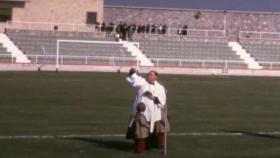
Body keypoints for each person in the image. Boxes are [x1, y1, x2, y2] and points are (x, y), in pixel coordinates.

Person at [126, 68, 168, 152]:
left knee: (154, 130)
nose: (149, 76)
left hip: (154, 113)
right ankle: (139, 148)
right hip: (142, 112)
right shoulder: (142, 83)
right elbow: (135, 79)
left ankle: (152, 145)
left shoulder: (160, 87)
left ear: (156, 76)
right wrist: (132, 73)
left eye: (152, 75)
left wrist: (155, 98)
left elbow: (162, 100)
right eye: (148, 74)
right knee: (141, 130)